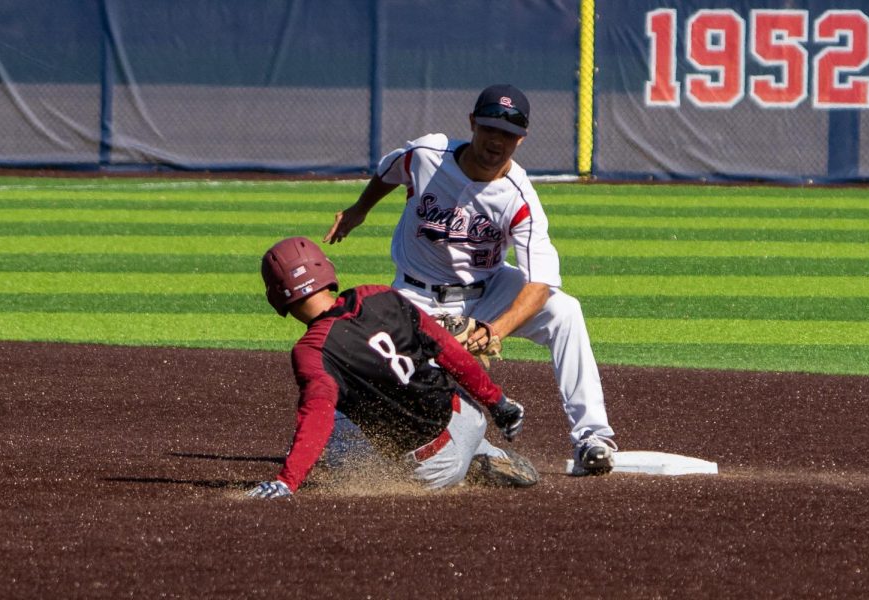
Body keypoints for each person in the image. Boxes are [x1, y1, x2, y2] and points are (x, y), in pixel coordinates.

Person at [323, 83, 616, 476]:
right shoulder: (427, 155)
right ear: (472, 124)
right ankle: (474, 450)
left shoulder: (519, 197)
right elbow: (387, 172)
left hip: (488, 291)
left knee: (564, 311)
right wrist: (360, 209)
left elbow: (540, 283)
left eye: (509, 134)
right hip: (414, 296)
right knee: (393, 375)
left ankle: (591, 438)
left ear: (521, 139)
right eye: (490, 129)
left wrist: (494, 331)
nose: (497, 141)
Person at [247, 236, 538, 499]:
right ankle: (482, 449)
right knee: (426, 372)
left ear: (277, 295)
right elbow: (451, 352)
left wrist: (287, 480)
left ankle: (461, 470)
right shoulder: (377, 295)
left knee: (333, 428)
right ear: (325, 269)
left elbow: (316, 419)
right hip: (468, 416)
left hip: (434, 468)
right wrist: (498, 403)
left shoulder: (312, 350)